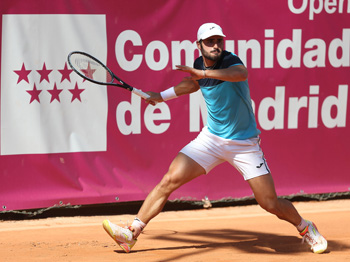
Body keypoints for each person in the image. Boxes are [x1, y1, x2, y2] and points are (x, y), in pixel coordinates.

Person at [102, 23, 328, 254]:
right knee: (170, 179)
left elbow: (241, 74)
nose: (216, 45)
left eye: (219, 40)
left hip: (244, 144)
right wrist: (160, 96)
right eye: (209, 41)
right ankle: (132, 232)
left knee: (269, 203)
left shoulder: (230, 62)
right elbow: (190, 84)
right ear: (199, 45)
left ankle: (305, 227)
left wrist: (204, 74)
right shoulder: (200, 66)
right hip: (211, 140)